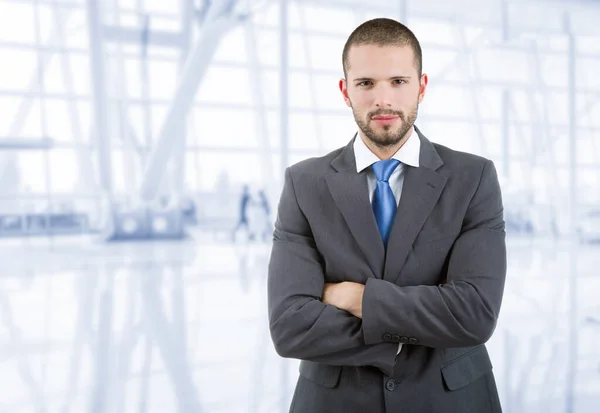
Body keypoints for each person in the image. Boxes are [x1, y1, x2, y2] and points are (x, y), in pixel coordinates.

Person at [267, 17, 506, 413]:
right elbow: (290, 327)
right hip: (335, 401)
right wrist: (415, 327)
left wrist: (355, 298)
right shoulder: (304, 184)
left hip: (452, 400)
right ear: (345, 91)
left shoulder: (473, 178)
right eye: (366, 84)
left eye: (398, 81)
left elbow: (474, 315)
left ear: (421, 87)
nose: (383, 100)